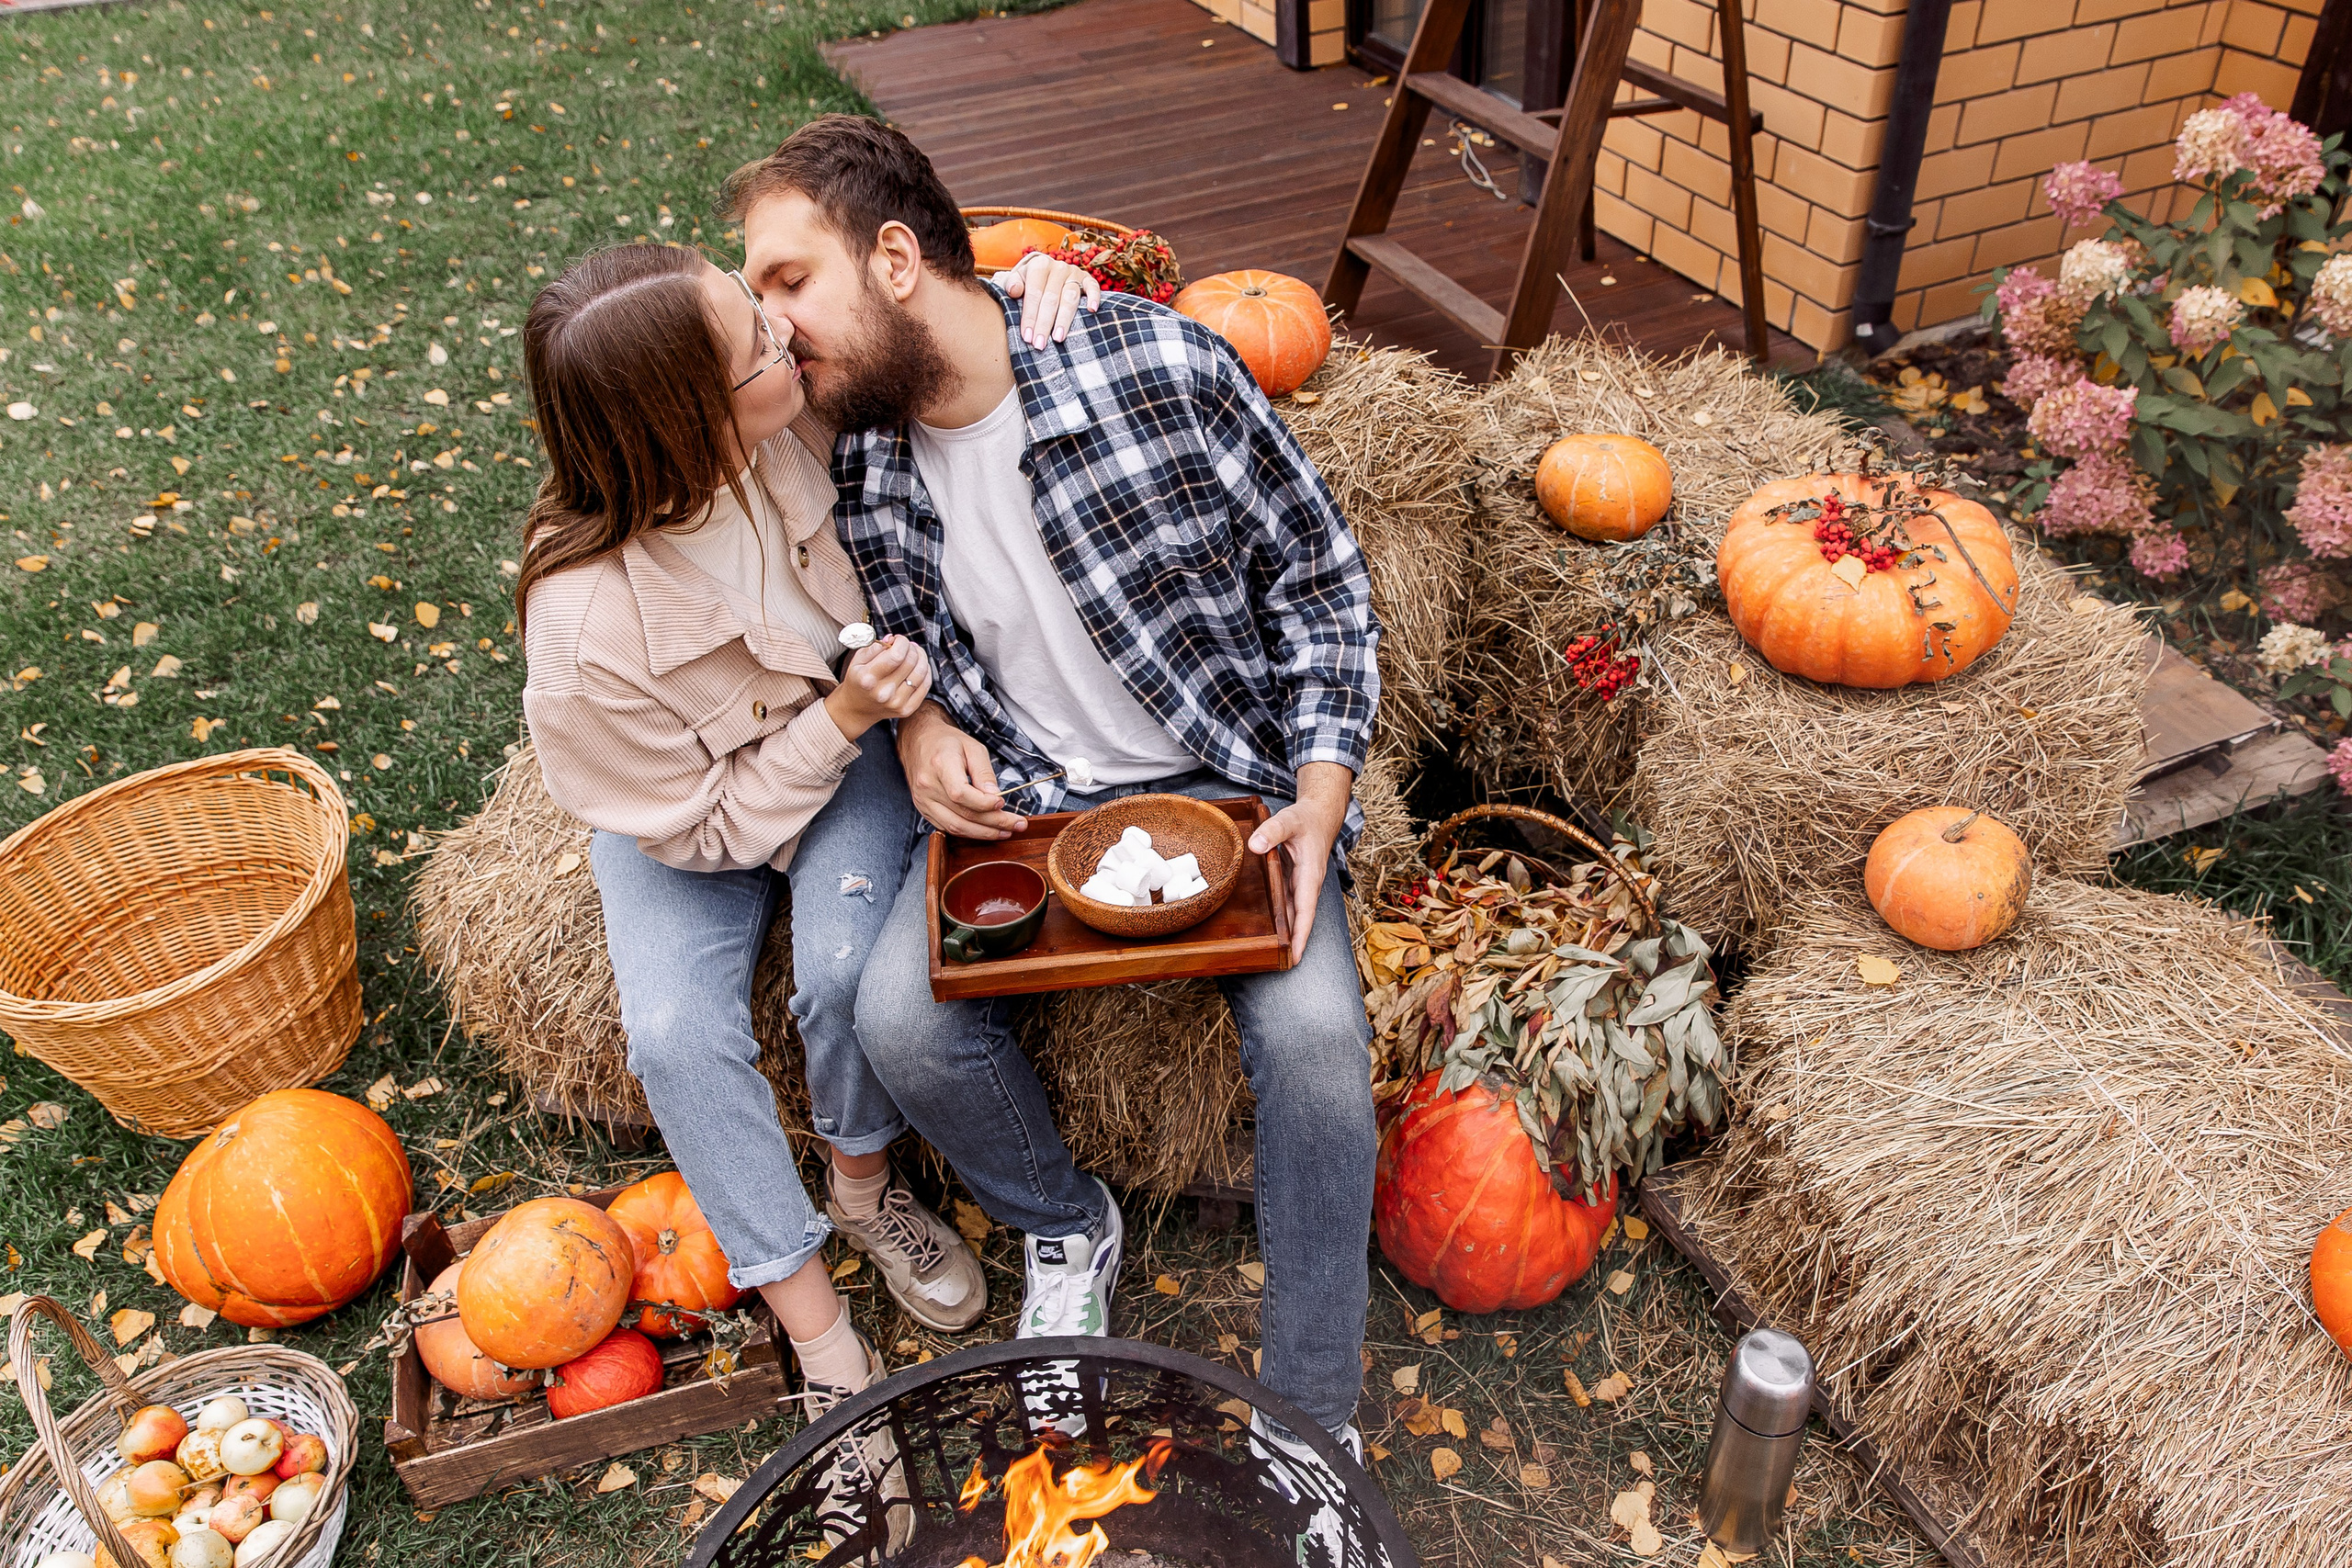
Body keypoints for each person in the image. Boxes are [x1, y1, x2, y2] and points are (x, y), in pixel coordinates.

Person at [725, 116, 1383, 1462]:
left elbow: (1318, 581)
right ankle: (1066, 1221)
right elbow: (887, 640)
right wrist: (921, 735)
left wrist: (1320, 787)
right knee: (899, 1023)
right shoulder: (860, 456)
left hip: (1226, 780)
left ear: (896, 259)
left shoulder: (1162, 369)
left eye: (790, 281)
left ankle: (1316, 1415)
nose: (771, 321)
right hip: (1031, 804)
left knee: (1316, 1047)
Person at [515, 238, 1101, 1533]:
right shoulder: (582, 631)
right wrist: (838, 718)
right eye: (754, 348)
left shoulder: (805, 409)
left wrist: (1040, 285)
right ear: (696, 424)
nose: (788, 338)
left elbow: (915, 293)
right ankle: (818, 1329)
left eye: (764, 314)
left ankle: (858, 1179)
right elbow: (707, 827)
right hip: (698, 818)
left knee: (844, 973)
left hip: (848, 755)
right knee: (674, 1033)